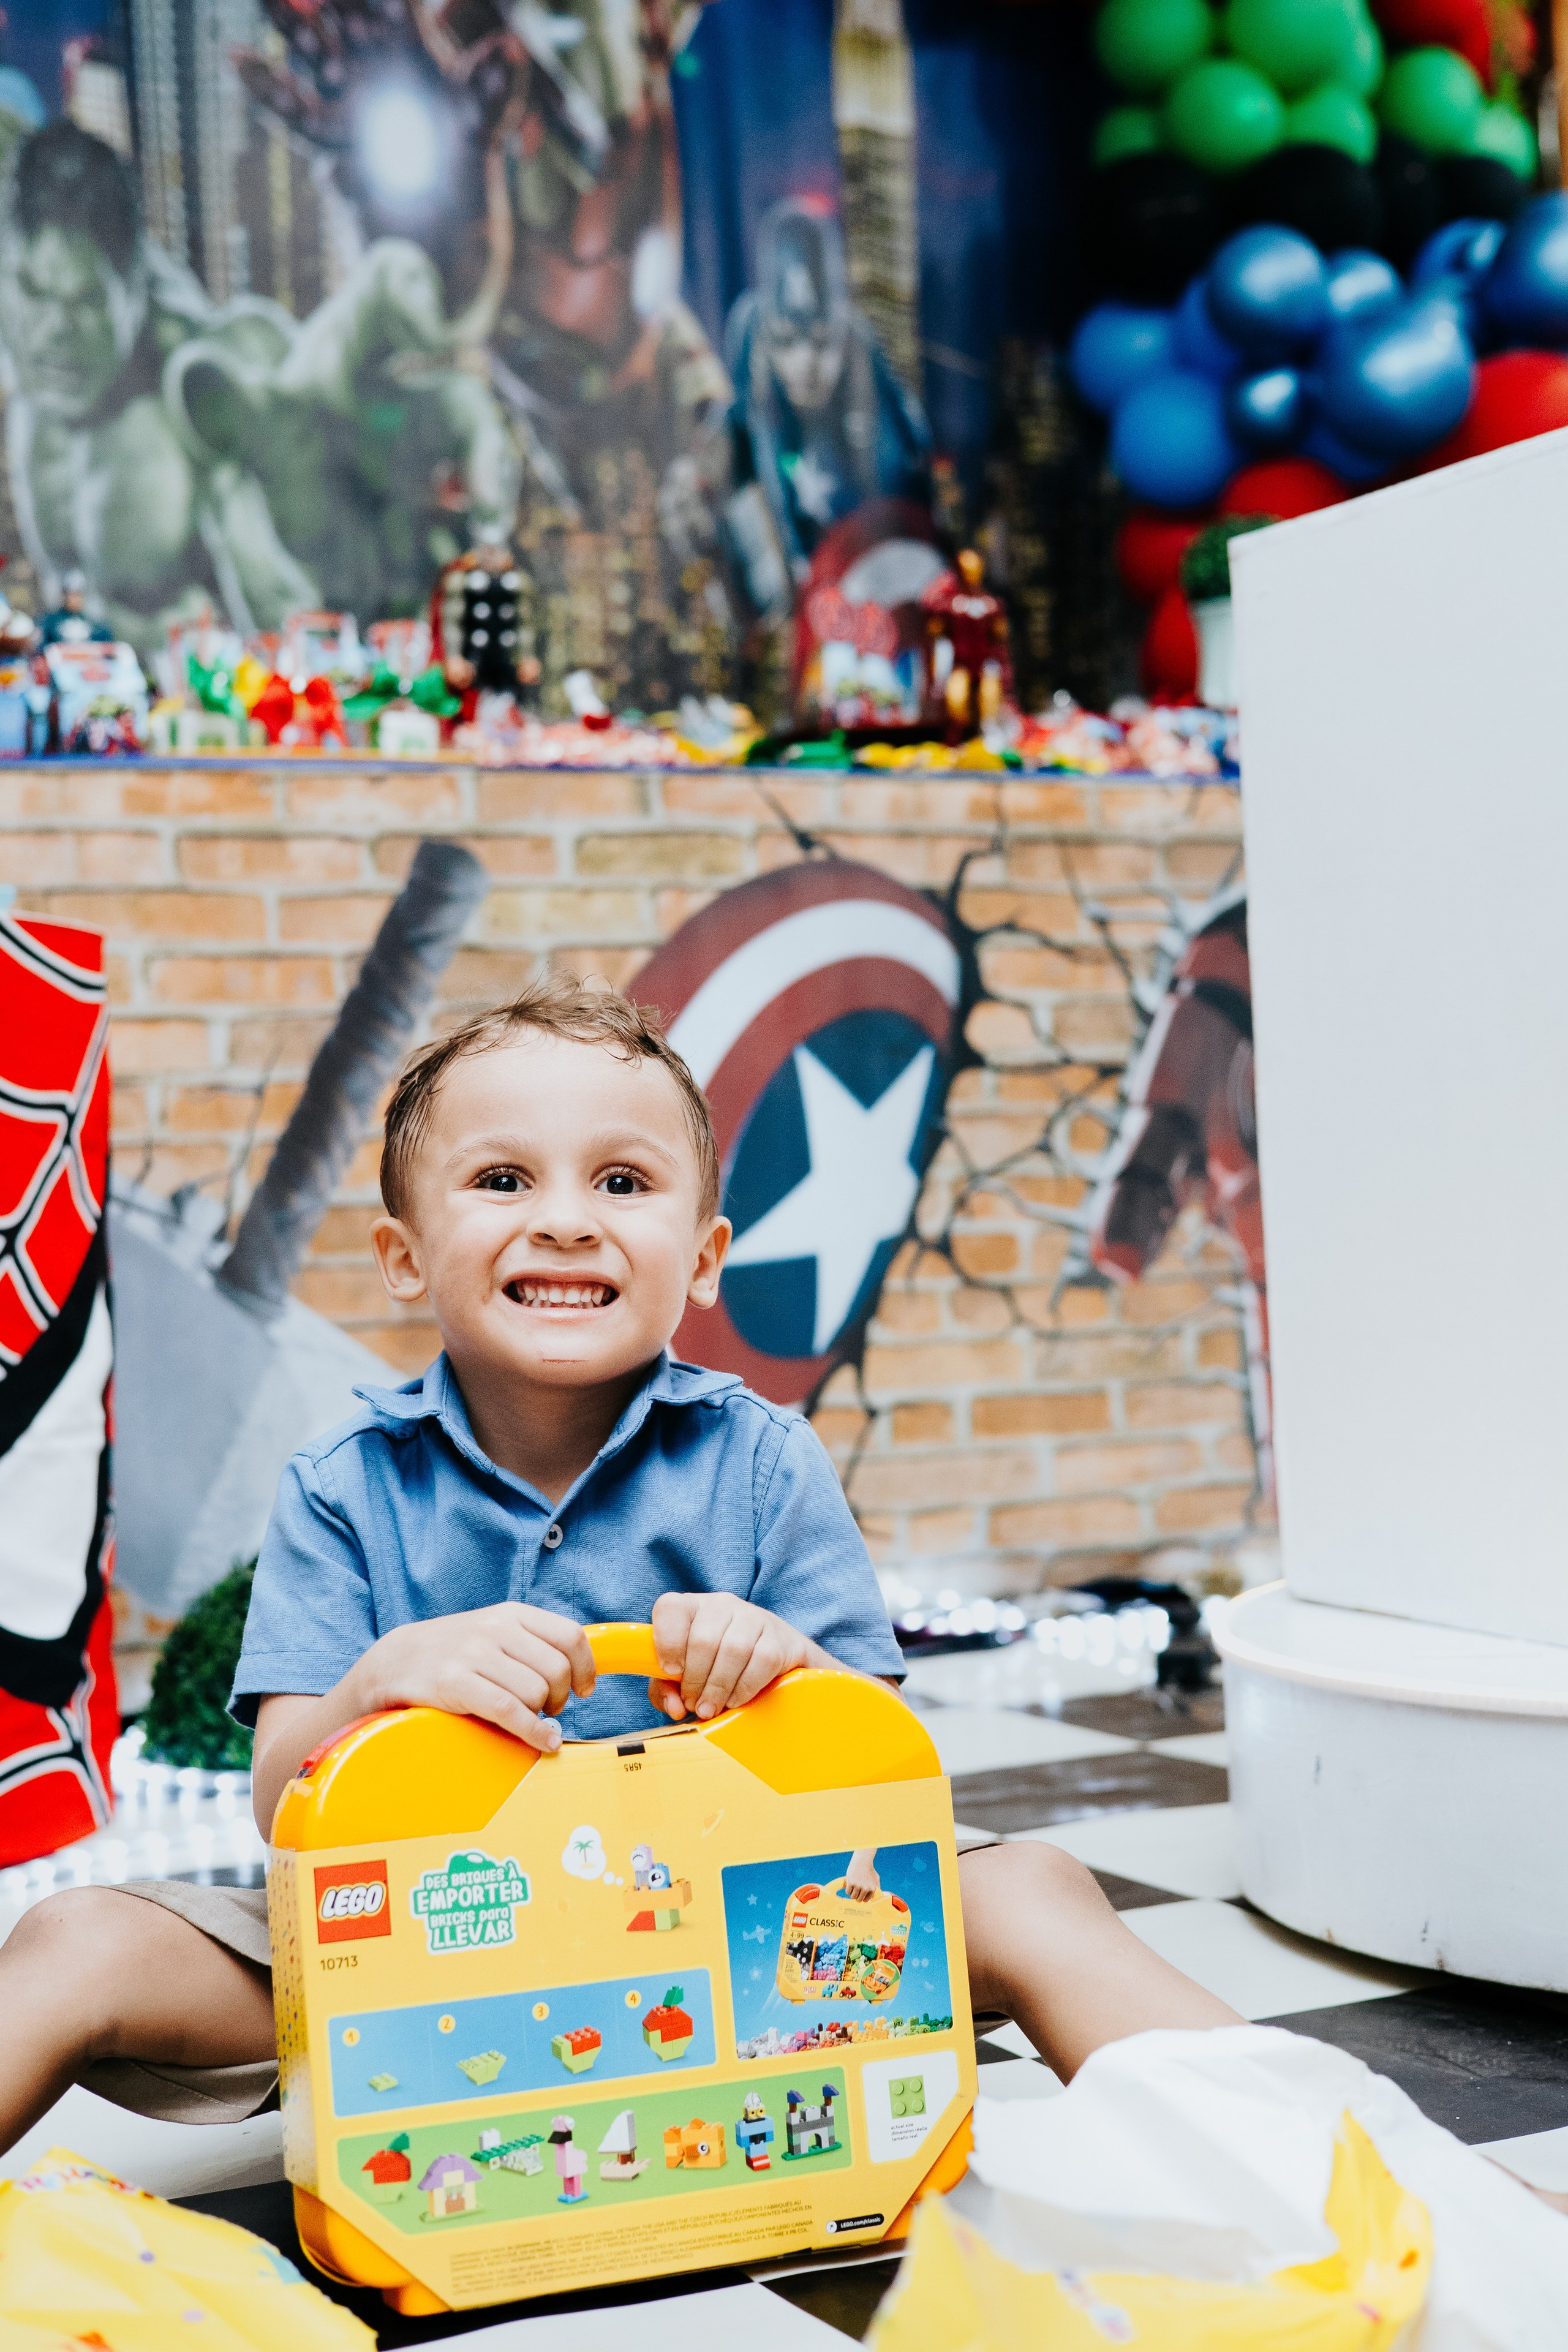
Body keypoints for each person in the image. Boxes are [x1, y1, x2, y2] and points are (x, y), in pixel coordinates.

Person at [0, 976, 1238, 2154]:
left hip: (747, 1941)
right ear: (404, 1257)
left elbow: (876, 1768)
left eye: (621, 1180)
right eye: (500, 1178)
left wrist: (788, 1672)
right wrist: (381, 1682)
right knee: (79, 1935)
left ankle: (1296, 2148)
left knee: (1029, 1882)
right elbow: (282, 1799)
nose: (564, 1217)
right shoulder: (342, 1483)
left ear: (699, 1258)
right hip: (429, 1947)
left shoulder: (761, 1461)